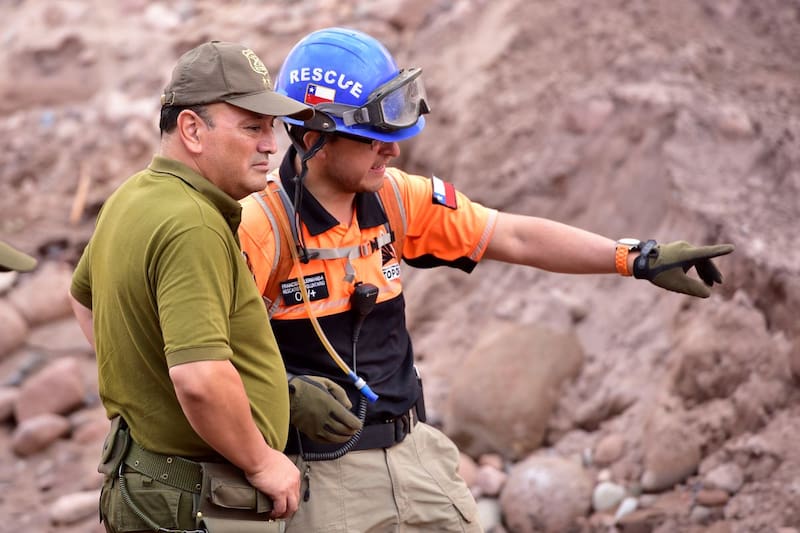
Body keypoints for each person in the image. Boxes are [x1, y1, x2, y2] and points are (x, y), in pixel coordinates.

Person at [238, 27, 734, 532]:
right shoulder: (258, 228)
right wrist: (287, 394)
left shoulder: (395, 199)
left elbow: (513, 235)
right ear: (312, 135)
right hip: (323, 482)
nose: (393, 153)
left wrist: (634, 257)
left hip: (416, 459)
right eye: (372, 139)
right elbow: (199, 362)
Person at [69, 41, 314, 533]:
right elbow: (199, 379)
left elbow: (82, 299)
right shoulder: (193, 225)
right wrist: (261, 461)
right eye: (252, 127)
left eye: (272, 128)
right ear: (192, 130)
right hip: (195, 499)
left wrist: (150, 389)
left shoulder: (132, 195)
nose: (271, 144)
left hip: (151, 481)